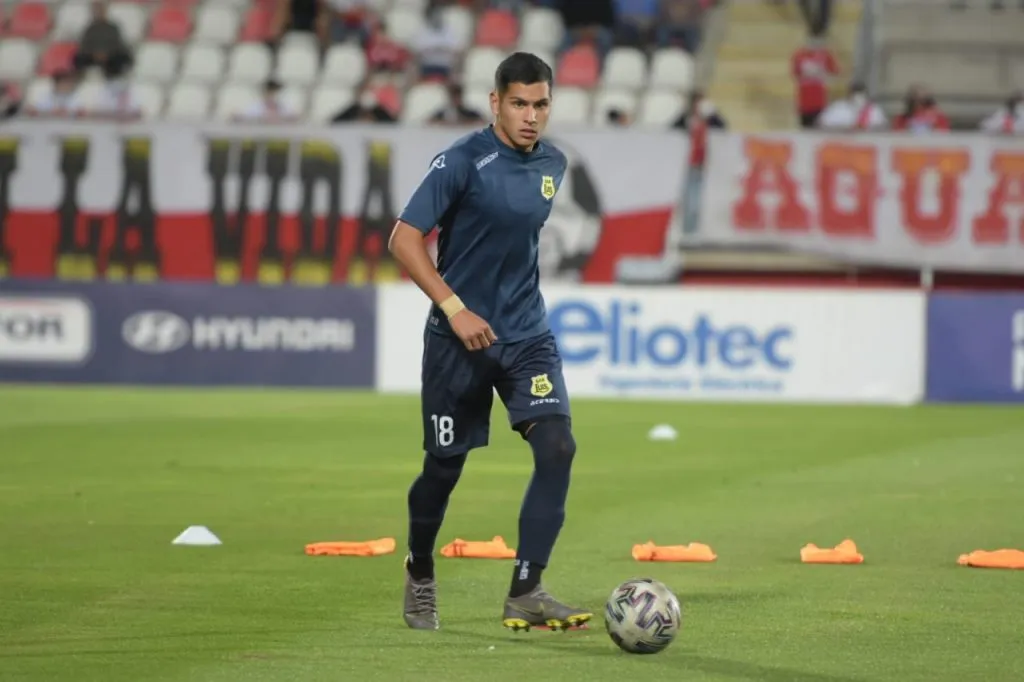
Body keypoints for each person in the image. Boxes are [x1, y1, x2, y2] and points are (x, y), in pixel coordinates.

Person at [387, 51, 591, 633]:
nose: (531, 116)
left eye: (541, 104)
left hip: (526, 335)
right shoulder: (461, 160)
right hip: (458, 341)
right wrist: (455, 309)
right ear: (495, 102)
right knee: (443, 469)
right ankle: (420, 569)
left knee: (558, 447)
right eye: (520, 103)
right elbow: (403, 239)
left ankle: (527, 589)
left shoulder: (553, 163)